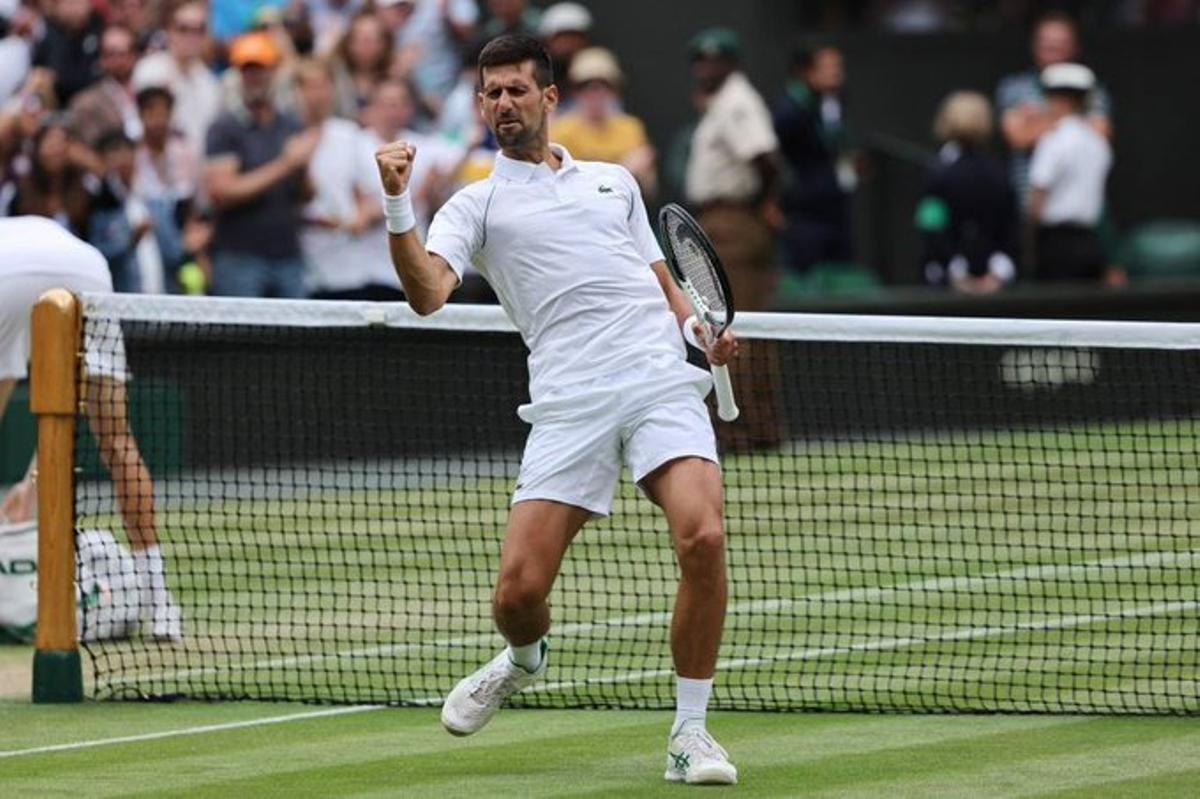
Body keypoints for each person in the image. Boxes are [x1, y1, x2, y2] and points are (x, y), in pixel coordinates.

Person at [374, 34, 740, 785]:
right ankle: (521, 658)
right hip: (568, 402)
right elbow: (426, 295)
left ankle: (690, 732)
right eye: (491, 93)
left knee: (703, 537)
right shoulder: (475, 202)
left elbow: (667, 286)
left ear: (548, 99)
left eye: (516, 90)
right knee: (518, 594)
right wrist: (396, 201)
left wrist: (697, 330)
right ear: (480, 107)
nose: (502, 103)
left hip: (656, 380)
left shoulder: (615, 184)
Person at [0, 215, 182, 640]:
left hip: (7, 273)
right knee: (116, 437)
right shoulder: (44, 230)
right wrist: (34, 481)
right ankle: (160, 605)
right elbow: (70, 402)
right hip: (86, 269)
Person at [204, 31, 318, 298]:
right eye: (248, 70)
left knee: (296, 337)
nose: (255, 77)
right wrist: (286, 164)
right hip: (239, 256)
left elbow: (306, 195)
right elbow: (222, 192)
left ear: (275, 72)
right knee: (242, 338)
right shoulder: (224, 127)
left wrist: (301, 169)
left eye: (261, 69)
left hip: (288, 254)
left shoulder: (291, 123)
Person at [683, 27, 782, 313]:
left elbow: (766, 159)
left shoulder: (737, 101)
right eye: (701, 61)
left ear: (732, 64)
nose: (706, 69)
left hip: (734, 220)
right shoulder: (719, 102)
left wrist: (765, 204)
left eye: (716, 61)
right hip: (717, 219)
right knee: (720, 316)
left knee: (738, 316)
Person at [294, 58, 392, 299]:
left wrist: (361, 217)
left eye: (322, 86)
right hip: (299, 264)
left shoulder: (349, 135)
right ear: (297, 91)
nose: (317, 94)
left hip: (347, 266)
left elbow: (373, 194)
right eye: (309, 86)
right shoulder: (285, 135)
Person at [995, 11, 1112, 210]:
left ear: (1075, 48)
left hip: (1079, 209)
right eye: (1047, 45)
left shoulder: (1093, 91)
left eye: (1059, 46)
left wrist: (1037, 121)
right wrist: (1076, 121)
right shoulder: (1014, 88)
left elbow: (1100, 136)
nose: (1052, 52)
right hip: (1026, 204)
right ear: (1034, 46)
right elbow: (1019, 138)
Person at [916, 91, 1017, 293]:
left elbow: (931, 228)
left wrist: (955, 272)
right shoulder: (999, 174)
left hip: (949, 284)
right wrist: (997, 274)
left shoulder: (938, 176)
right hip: (991, 280)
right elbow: (1012, 230)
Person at [1027, 63, 1114, 283]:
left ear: (1060, 101)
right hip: (1091, 242)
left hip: (1056, 246)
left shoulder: (1052, 140)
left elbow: (1037, 196)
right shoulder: (1098, 143)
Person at [772, 43, 853, 275]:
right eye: (828, 67)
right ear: (806, 71)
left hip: (833, 207)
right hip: (802, 212)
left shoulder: (832, 104)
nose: (837, 73)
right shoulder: (790, 110)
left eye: (839, 66)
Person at [549, 47, 656, 199]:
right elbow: (560, 186)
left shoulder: (631, 128)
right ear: (575, 91)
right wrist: (625, 169)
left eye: (603, 85)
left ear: (614, 89)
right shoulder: (562, 129)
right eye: (586, 86)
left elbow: (649, 189)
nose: (595, 92)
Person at [131, 1, 221, 159]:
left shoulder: (209, 82)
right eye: (183, 29)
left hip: (199, 169)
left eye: (199, 30)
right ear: (168, 31)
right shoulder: (149, 70)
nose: (191, 37)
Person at [69, 24, 142, 149]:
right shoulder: (86, 103)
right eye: (112, 54)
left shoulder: (149, 87)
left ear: (134, 55)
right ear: (102, 59)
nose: (119, 60)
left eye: (124, 53)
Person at [31, 0, 104, 107]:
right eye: (68, 2)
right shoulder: (49, 35)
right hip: (54, 107)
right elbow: (38, 72)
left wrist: (58, 79)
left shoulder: (100, 32)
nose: (74, 9)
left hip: (94, 105)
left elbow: (97, 77)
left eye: (79, 2)